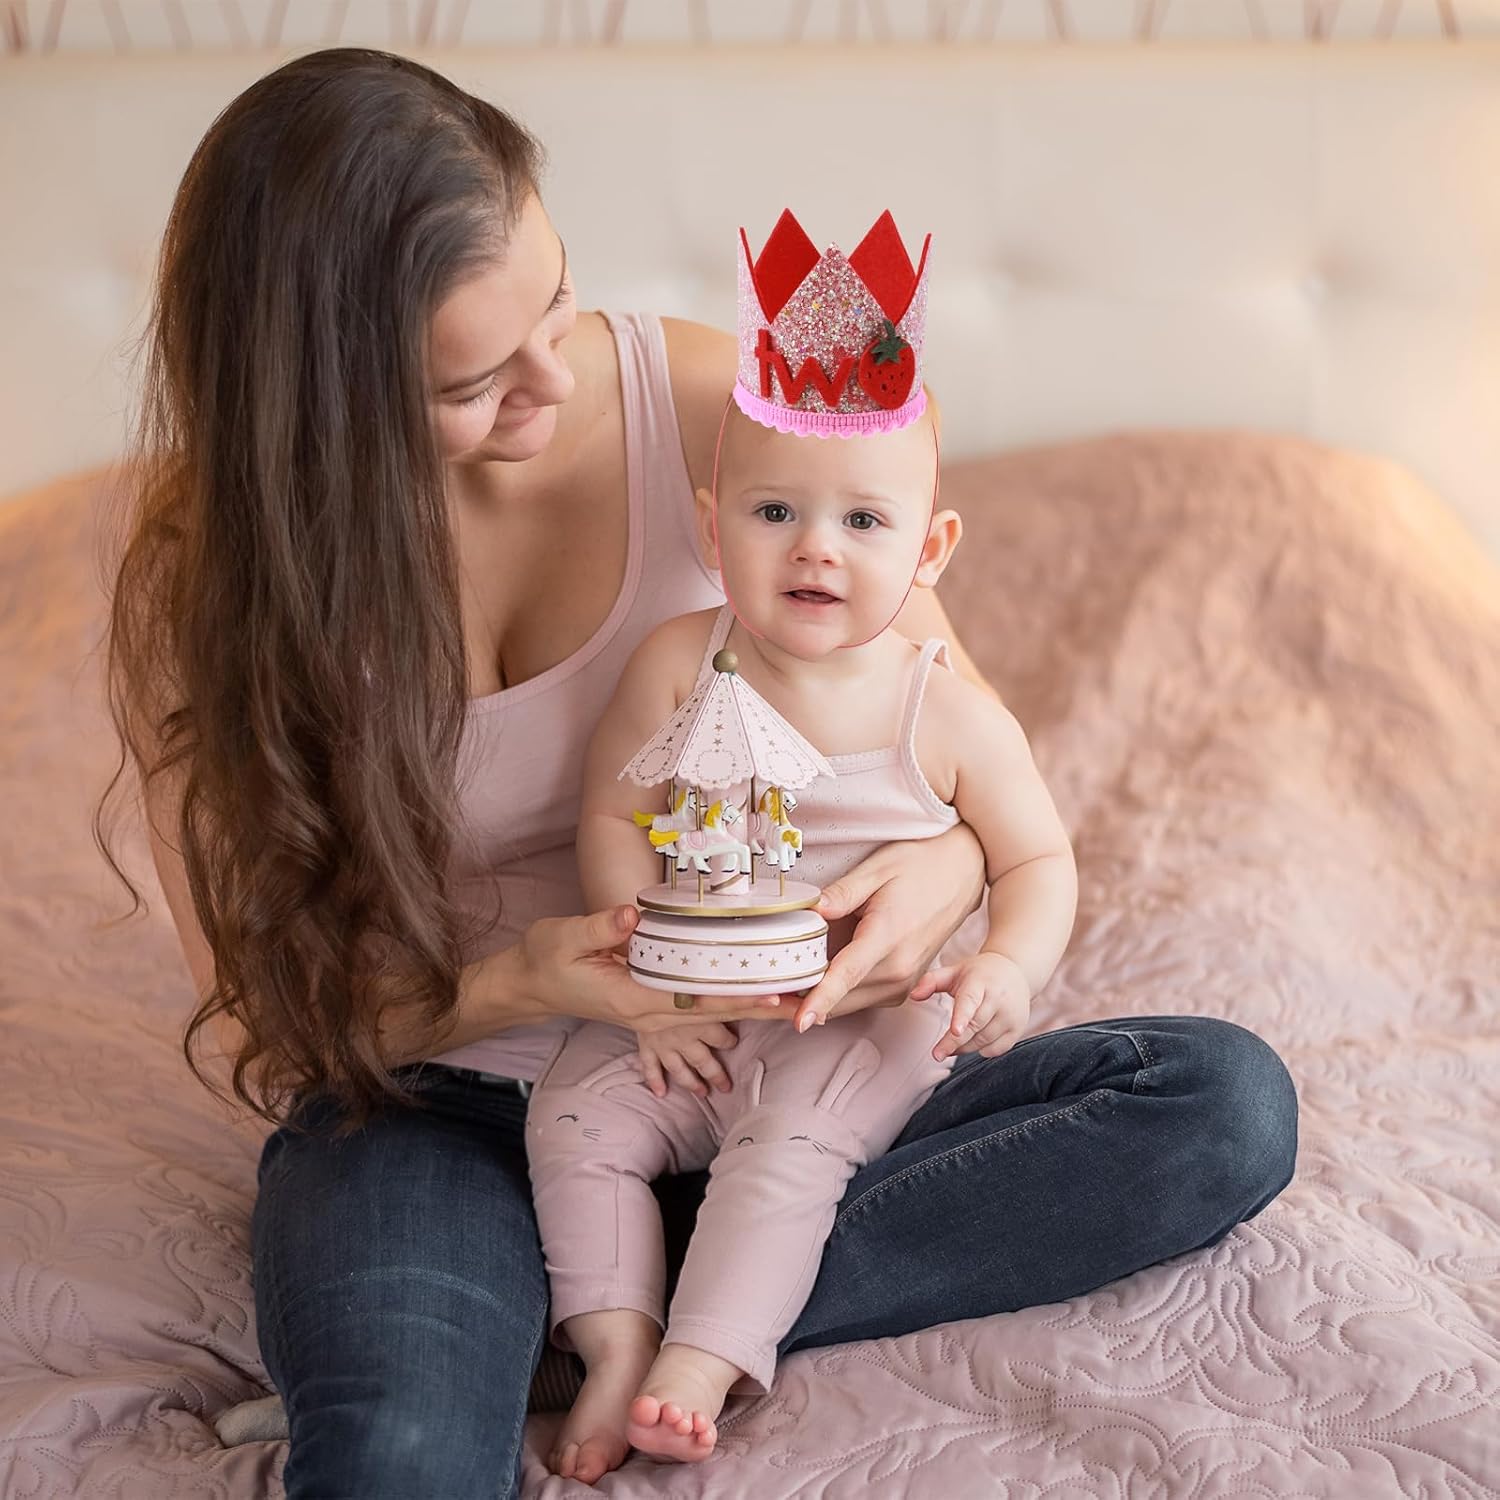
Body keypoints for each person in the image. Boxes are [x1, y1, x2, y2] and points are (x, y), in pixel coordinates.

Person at [99, 47, 1298, 1500]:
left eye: (555, 302)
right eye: (474, 381)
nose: (555, 380)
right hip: (444, 1107)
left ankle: (599, 1320)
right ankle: (562, 1302)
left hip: (790, 1057)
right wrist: (523, 980)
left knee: (1218, 1105)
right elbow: (280, 1017)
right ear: (322, 405)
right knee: (400, 1460)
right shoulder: (214, 586)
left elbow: (945, 731)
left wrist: (945, 874)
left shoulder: (726, 408)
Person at [527, 209, 1082, 1480]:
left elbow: (1037, 860)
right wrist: (650, 992)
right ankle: (611, 1338)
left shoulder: (943, 709)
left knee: (788, 1157)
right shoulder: (683, 663)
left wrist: (1009, 966)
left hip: (855, 1023)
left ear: (931, 549)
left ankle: (699, 1360)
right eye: (774, 510)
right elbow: (612, 817)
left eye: (864, 523)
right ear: (712, 526)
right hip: (692, 1009)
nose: (816, 547)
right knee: (571, 1121)